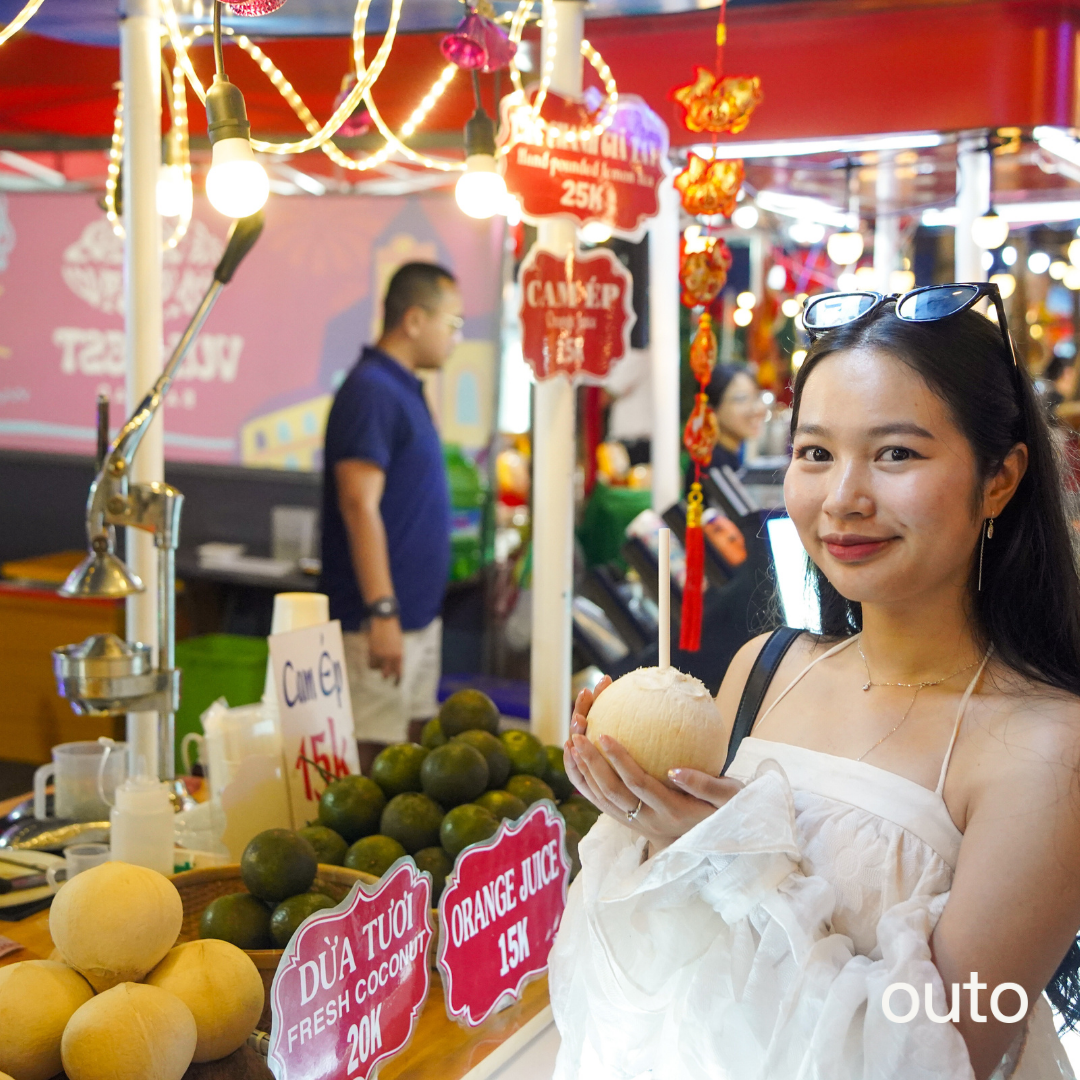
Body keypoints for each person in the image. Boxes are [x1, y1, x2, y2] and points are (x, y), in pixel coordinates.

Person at [553, 286, 1080, 1079]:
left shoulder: (1049, 751)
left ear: (1000, 479)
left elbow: (945, 1054)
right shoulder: (762, 669)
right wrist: (640, 825)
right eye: (815, 453)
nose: (843, 499)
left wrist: (737, 863)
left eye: (896, 453)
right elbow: (667, 971)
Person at [321, 262, 461, 767]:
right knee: (371, 760)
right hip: (378, 620)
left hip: (416, 613)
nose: (455, 338)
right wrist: (382, 610)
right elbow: (358, 504)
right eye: (453, 323)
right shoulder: (373, 390)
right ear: (414, 320)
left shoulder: (404, 387)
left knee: (407, 752)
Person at [683, 362, 768, 492]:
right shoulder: (713, 465)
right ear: (712, 410)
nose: (758, 409)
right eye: (742, 399)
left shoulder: (726, 457)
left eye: (756, 397)